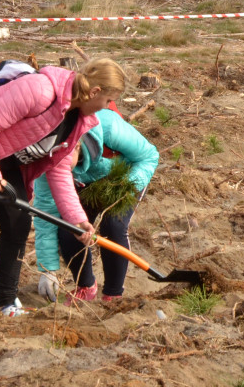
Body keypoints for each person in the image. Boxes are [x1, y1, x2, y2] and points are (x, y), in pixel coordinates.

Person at [0, 58, 125, 319]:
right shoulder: (40, 90)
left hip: (2, 155)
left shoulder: (78, 121)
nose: (107, 107)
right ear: (95, 92)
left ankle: (7, 305)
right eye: (108, 100)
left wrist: (77, 220)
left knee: (18, 225)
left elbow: (59, 172)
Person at [33, 107, 159, 303]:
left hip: (125, 176)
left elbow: (149, 157)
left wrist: (122, 188)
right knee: (68, 228)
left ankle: (113, 294)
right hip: (85, 182)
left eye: (64, 162)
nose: (58, 167)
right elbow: (46, 213)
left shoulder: (108, 127)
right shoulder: (50, 163)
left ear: (75, 146)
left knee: (113, 226)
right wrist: (47, 269)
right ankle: (86, 286)